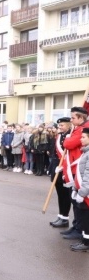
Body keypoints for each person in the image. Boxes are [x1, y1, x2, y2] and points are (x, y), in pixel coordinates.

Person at [60, 106, 89, 240]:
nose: (71, 120)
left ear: (81, 118)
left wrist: (67, 139)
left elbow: (69, 144)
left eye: (73, 118)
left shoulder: (84, 129)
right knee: (75, 201)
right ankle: (77, 225)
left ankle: (80, 229)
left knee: (80, 203)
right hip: (75, 168)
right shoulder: (76, 128)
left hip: (79, 168)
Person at [49, 117, 72, 228]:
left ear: (68, 125)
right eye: (59, 125)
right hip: (56, 166)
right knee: (60, 194)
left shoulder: (70, 136)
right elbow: (55, 152)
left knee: (65, 195)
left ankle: (65, 218)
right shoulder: (59, 136)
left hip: (65, 168)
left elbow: (71, 154)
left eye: (62, 125)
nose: (60, 127)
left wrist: (63, 166)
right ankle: (61, 215)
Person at [70, 127, 89, 251]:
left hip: (86, 193)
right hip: (83, 190)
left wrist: (82, 193)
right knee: (83, 217)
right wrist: (75, 188)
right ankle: (84, 239)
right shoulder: (85, 152)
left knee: (86, 217)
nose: (80, 139)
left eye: (83, 137)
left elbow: (88, 175)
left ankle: (86, 242)